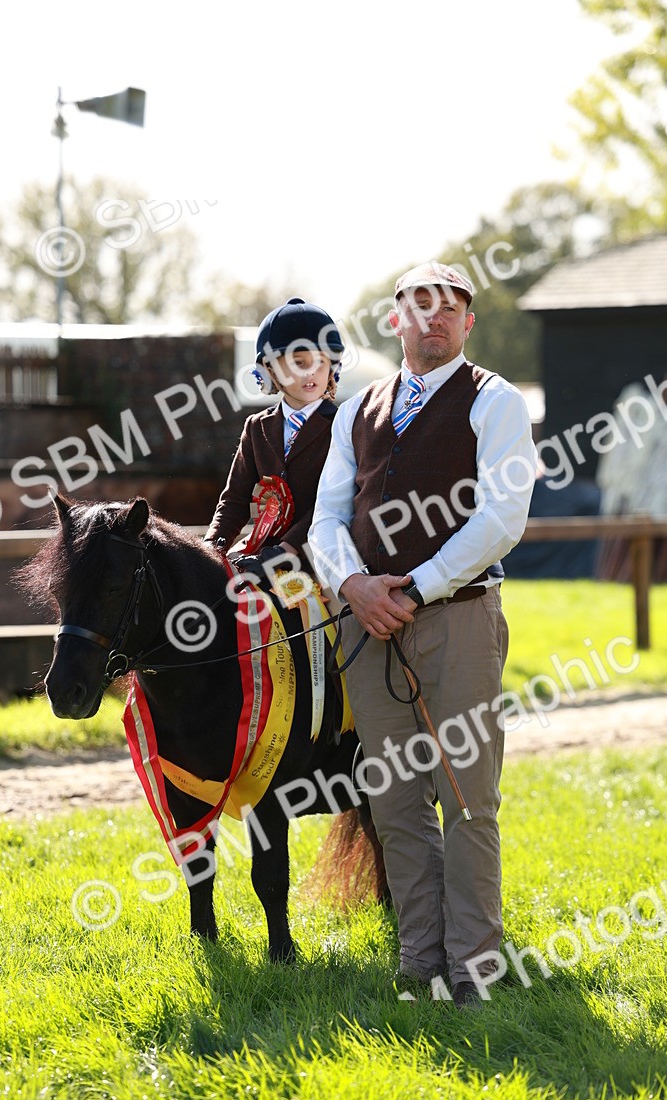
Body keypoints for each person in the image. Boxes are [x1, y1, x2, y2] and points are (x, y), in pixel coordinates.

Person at [309, 262, 537, 1006]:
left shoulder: (494, 401)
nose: (434, 318)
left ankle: (473, 974)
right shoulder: (356, 410)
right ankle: (419, 965)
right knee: (397, 803)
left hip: (459, 618)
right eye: (420, 305)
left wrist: (417, 583)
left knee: (467, 798)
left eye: (451, 308)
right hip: (365, 624)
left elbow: (503, 517)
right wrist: (352, 586)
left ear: (468, 323)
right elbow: (325, 520)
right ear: (395, 317)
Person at [205, 297, 344, 576]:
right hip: (261, 557)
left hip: (321, 561)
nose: (311, 372)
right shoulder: (256, 427)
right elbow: (234, 501)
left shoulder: (343, 423)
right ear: (269, 370)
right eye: (298, 362)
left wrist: (283, 551)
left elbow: (331, 503)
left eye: (320, 361)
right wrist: (210, 550)